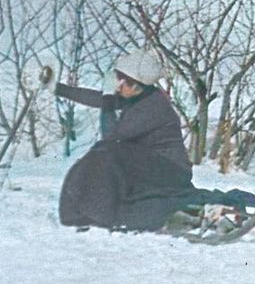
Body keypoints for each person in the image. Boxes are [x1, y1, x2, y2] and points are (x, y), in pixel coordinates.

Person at [55, 49, 196, 230]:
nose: (117, 85)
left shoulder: (152, 107)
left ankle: (100, 211)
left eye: (122, 80)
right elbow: (97, 98)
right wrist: (58, 89)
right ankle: (84, 209)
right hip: (150, 166)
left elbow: (110, 137)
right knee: (101, 155)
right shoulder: (139, 96)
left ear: (137, 86)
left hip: (171, 171)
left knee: (106, 153)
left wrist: (108, 97)